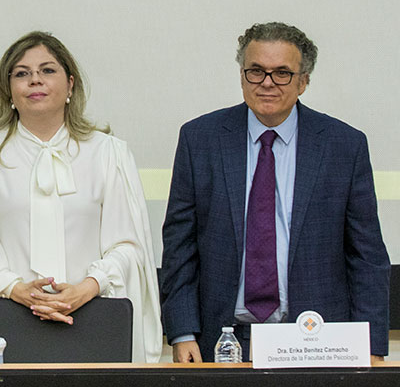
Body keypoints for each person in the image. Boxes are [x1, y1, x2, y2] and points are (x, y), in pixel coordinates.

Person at [160, 21, 390, 363]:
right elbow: (180, 247)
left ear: (304, 81)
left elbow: (366, 256)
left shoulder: (344, 145)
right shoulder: (201, 139)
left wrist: (371, 346)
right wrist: (181, 331)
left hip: (317, 340)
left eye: (282, 72)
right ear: (241, 76)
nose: (267, 83)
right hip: (222, 339)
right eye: (256, 71)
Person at [0, 31, 163, 363]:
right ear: (9, 89)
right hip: (6, 321)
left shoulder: (109, 153)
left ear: (70, 84)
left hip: (92, 318)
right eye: (22, 73)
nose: (35, 80)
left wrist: (86, 287)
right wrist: (17, 289)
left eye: (47, 70)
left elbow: (129, 247)